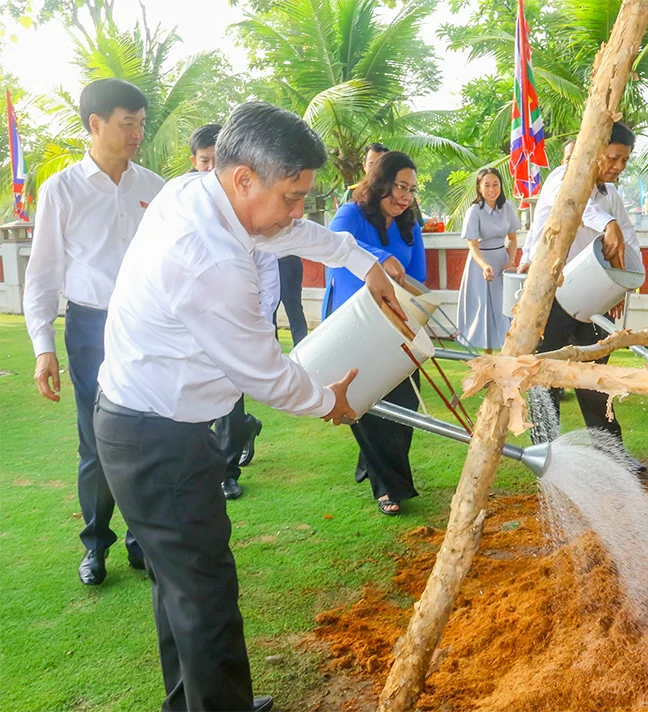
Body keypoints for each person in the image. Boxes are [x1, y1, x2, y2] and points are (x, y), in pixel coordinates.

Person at [93, 102, 404, 712]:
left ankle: (193, 703)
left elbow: (296, 231)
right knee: (204, 593)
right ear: (243, 179)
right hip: (155, 437)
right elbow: (265, 372)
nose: (297, 211)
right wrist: (329, 403)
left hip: (150, 423)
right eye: (292, 196)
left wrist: (361, 260)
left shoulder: (203, 193)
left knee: (180, 585)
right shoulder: (208, 256)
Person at [24, 78, 165, 585]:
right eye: (129, 124)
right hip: (90, 328)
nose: (137, 134)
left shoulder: (155, 188)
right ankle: (96, 543)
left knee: (147, 433)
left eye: (141, 124)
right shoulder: (61, 190)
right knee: (97, 438)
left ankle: (141, 540)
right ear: (96, 124)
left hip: (146, 325)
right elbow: (42, 275)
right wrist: (44, 348)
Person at [518, 121, 643, 470]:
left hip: (594, 296)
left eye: (624, 161)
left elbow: (628, 237)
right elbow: (577, 205)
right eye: (613, 158)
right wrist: (607, 224)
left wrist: (628, 279)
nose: (618, 167)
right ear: (595, 152)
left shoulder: (611, 193)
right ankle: (546, 459)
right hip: (550, 296)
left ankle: (612, 454)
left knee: (595, 379)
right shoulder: (563, 176)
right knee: (544, 379)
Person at [323, 151, 425, 515]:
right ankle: (389, 488)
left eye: (412, 190)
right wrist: (379, 260)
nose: (405, 197)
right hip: (356, 328)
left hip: (396, 324)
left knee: (406, 403)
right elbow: (334, 243)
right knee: (371, 407)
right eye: (400, 186)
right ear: (380, 181)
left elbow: (418, 277)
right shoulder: (351, 213)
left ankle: (373, 464)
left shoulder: (411, 223)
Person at [190, 123, 272, 498]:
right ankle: (231, 439)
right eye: (204, 161)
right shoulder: (179, 203)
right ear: (194, 162)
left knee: (230, 396)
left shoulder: (249, 202)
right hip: (191, 325)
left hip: (236, 320)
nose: (210, 169)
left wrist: (259, 317)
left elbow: (268, 268)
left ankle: (228, 473)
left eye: (215, 161)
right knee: (197, 400)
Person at [456, 167, 520, 352]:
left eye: (495, 184)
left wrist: (512, 261)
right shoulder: (474, 211)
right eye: (487, 185)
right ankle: (487, 358)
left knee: (506, 307)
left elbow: (513, 239)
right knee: (483, 309)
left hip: (503, 262)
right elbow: (473, 246)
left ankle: (508, 355)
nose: (492, 189)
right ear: (479, 188)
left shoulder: (507, 207)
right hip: (480, 264)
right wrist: (485, 266)